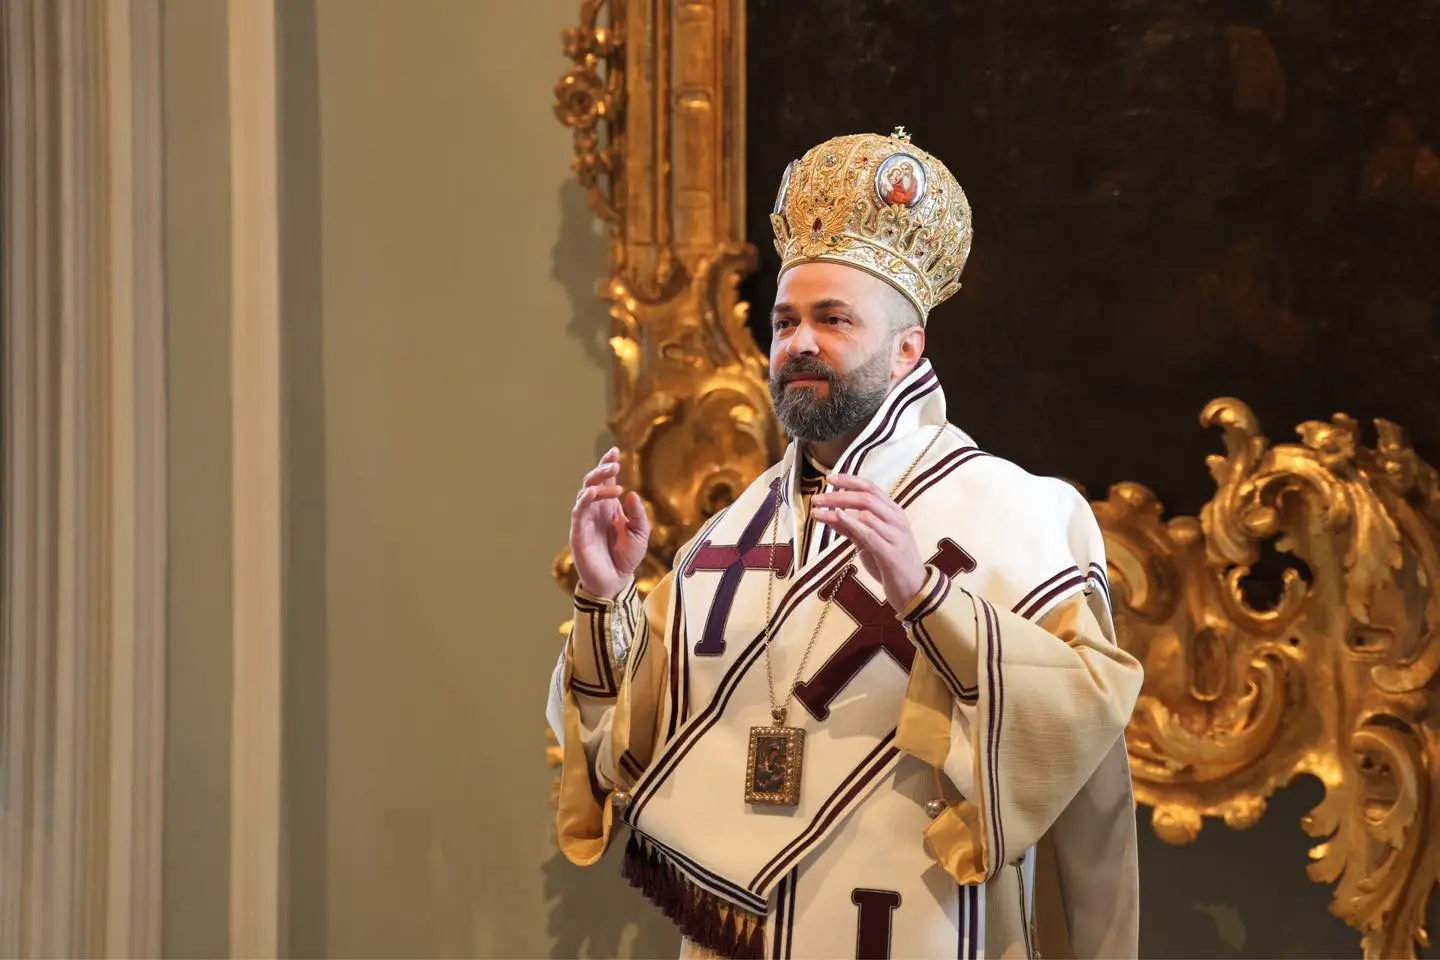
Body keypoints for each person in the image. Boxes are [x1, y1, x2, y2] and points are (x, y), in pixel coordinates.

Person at [546, 127, 1143, 959]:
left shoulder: (1021, 515)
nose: (799, 343)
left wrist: (928, 601)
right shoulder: (726, 538)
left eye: (833, 319)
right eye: (784, 321)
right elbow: (624, 750)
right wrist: (607, 599)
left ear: (907, 349)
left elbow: (1082, 730)